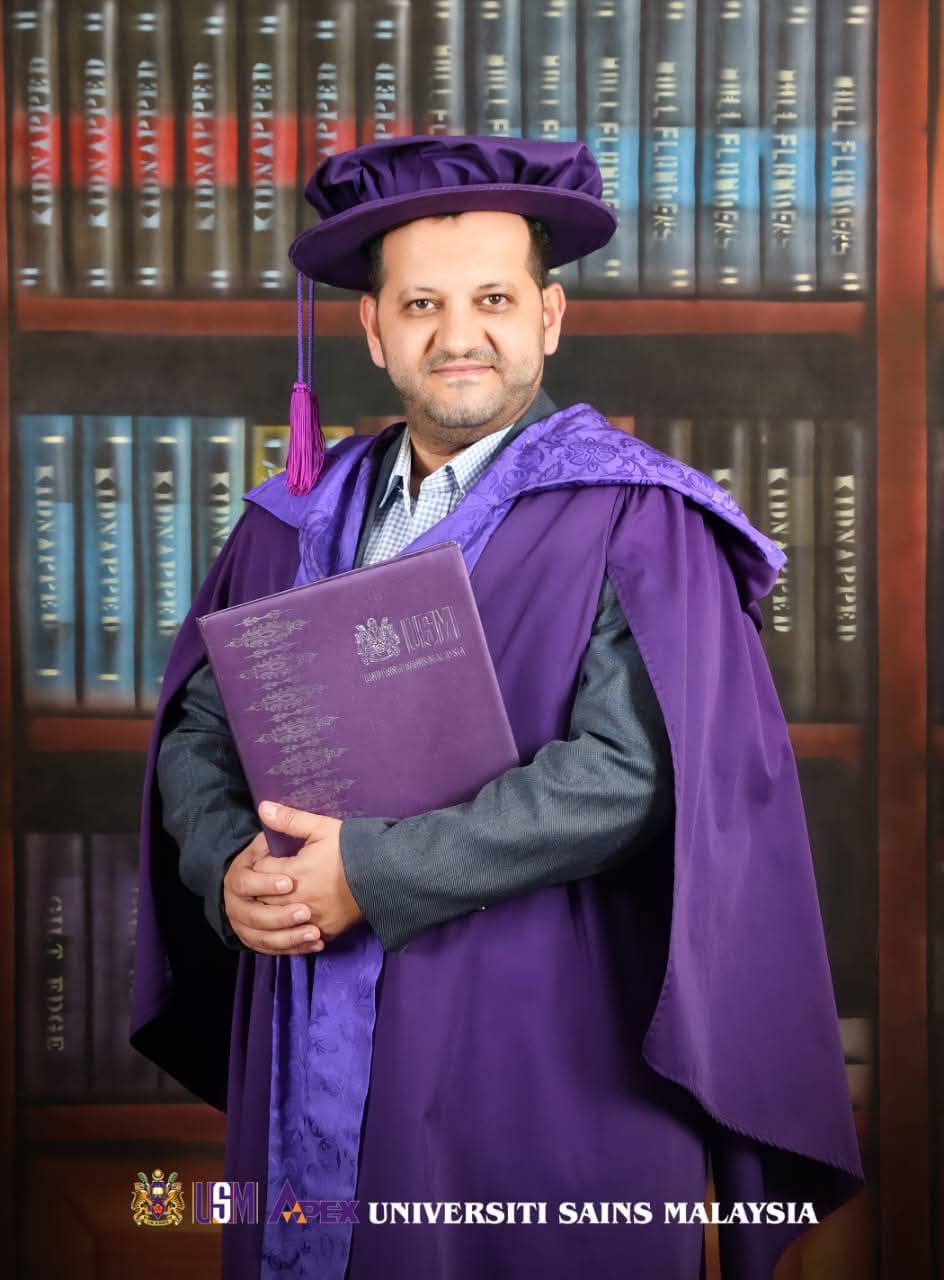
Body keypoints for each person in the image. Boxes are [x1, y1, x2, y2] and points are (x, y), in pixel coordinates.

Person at [132, 135, 864, 1280]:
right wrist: (231, 866)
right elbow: (200, 729)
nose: (457, 334)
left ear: (548, 316)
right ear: (372, 328)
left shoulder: (633, 515)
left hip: (545, 1035)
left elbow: (627, 771)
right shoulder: (291, 519)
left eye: (492, 299)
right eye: (420, 303)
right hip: (314, 1020)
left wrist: (369, 871)